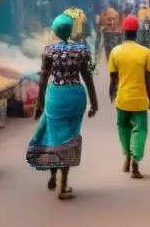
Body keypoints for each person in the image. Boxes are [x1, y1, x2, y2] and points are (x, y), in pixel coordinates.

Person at [27, 14, 98, 200]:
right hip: (76, 96)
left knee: (54, 135)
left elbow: (43, 80)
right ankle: (63, 185)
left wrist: (39, 104)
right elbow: (88, 78)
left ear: (56, 31)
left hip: (56, 96)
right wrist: (94, 102)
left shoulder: (49, 51)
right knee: (69, 139)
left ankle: (53, 175)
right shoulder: (82, 50)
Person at [109, 15, 150, 179]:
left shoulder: (115, 52)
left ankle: (126, 157)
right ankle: (135, 161)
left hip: (122, 99)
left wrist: (111, 95)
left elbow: (113, 78)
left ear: (123, 32)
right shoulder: (146, 53)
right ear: (137, 32)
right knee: (140, 130)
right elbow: (148, 79)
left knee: (123, 128)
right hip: (140, 100)